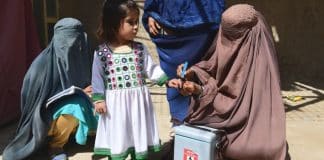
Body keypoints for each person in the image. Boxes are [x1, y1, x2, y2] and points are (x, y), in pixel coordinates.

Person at [174, 4, 288, 160]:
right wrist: (192, 72)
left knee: (240, 149)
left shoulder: (258, 66)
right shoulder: (236, 42)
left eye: (231, 34)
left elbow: (234, 108)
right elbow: (212, 65)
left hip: (246, 134)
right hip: (225, 125)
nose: (225, 39)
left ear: (247, 35)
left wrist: (201, 91)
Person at [91, 0, 177, 159]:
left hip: (138, 103)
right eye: (130, 22)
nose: (136, 27)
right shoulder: (102, 53)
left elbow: (151, 68)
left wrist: (166, 80)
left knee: (138, 134)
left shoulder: (139, 49)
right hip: (115, 106)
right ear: (113, 23)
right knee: (119, 136)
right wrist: (99, 100)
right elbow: (97, 79)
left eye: (137, 22)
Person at [3, 18, 98, 160]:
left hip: (74, 109)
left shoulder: (83, 56)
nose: (72, 46)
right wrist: (77, 93)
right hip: (46, 117)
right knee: (75, 104)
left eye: (77, 40)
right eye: (67, 41)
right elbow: (31, 105)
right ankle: (55, 145)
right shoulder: (41, 66)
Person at [142, 0, 225, 126]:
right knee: (178, 82)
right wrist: (152, 12)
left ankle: (197, 130)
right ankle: (180, 130)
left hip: (204, 26)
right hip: (172, 25)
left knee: (203, 77)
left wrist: (152, 11)